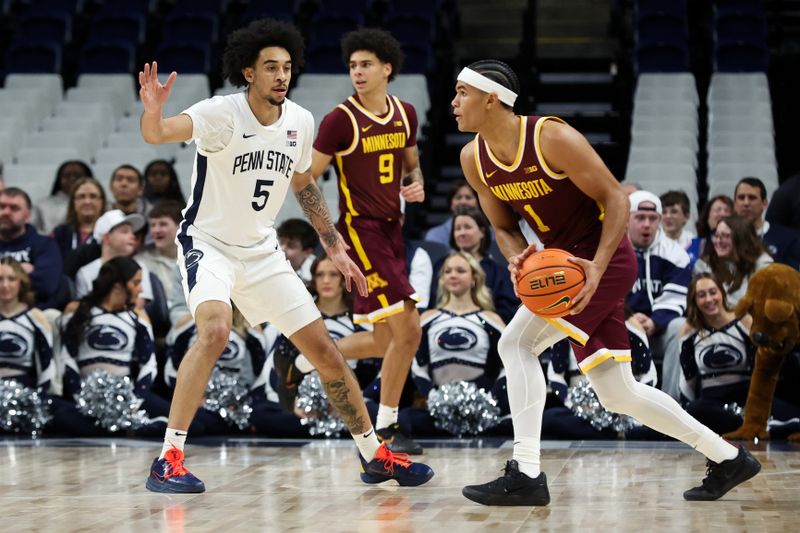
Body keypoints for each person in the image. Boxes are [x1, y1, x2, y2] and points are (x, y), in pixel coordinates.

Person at [138, 18, 432, 493]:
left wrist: (334, 246)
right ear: (248, 72)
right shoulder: (221, 113)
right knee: (214, 330)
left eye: (287, 67)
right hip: (208, 245)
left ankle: (374, 454)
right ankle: (168, 458)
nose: (281, 75)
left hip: (262, 252)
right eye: (270, 67)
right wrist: (153, 111)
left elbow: (304, 186)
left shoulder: (300, 119)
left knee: (326, 352)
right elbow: (159, 134)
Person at [451, 59, 759, 506]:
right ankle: (728, 457)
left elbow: (616, 197)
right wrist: (517, 256)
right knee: (618, 394)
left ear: (491, 98)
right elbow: (502, 225)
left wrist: (596, 266)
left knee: (515, 344)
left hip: (605, 260)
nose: (454, 103)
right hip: (563, 266)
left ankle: (526, 473)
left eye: (462, 92)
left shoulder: (551, 138)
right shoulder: (472, 158)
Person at [304, 28, 426, 455]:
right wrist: (329, 234)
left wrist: (416, 184)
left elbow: (411, 164)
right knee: (409, 327)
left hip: (394, 230)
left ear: (386, 68)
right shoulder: (340, 119)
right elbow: (306, 177)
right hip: (360, 231)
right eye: (353, 65)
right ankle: (387, 427)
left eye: (366, 64)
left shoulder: (406, 113)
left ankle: (305, 357)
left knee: (383, 340)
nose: (357, 71)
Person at [54, 257, 168, 436]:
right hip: (88, 397)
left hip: (127, 395)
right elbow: (67, 358)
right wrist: (80, 397)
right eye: (136, 283)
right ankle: (132, 427)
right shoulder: (79, 310)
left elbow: (149, 365)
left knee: (192, 424)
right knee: (60, 417)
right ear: (117, 285)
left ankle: (124, 424)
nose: (141, 289)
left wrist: (134, 402)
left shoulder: (137, 317)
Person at [680, 272, 800, 437]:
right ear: (694, 301)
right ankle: (751, 426)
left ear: (722, 293)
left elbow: (764, 363)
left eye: (713, 292)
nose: (709, 299)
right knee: (694, 410)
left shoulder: (744, 321)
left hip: (746, 396)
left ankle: (753, 424)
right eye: (701, 295)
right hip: (711, 401)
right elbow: (687, 378)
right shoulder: (690, 331)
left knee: (793, 415)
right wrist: (686, 416)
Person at [404, 252, 507, 436]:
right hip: (437, 409)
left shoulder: (491, 319)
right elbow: (417, 365)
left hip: (483, 408)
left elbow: (508, 366)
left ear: (474, 278)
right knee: (404, 420)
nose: (453, 275)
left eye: (460, 271)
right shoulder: (428, 318)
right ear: (442, 279)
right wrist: (433, 398)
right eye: (447, 271)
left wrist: (489, 400)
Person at [625, 190, 691, 399]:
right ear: (627, 219)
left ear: (660, 221)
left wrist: (654, 322)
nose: (647, 224)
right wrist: (628, 319)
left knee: (681, 327)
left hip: (657, 330)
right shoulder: (612, 249)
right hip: (621, 326)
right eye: (640, 217)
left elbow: (677, 297)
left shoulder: (675, 254)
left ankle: (671, 404)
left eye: (653, 219)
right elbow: (604, 295)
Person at [441, 205, 519, 323]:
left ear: (482, 232)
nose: (462, 232)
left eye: (467, 227)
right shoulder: (440, 266)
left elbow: (509, 313)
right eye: (457, 228)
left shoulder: (499, 272)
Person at [74, 209, 154, 308]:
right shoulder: (85, 273)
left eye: (132, 232)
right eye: (125, 231)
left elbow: (138, 304)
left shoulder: (140, 267)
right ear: (107, 237)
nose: (133, 236)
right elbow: (85, 307)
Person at [0, 188, 63, 309]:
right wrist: (21, 271)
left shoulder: (45, 245)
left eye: (14, 208)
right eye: (2, 207)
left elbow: (46, 285)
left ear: (27, 215)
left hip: (34, 311)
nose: (6, 212)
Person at [0, 258, 54, 397]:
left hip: (24, 390)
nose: (5, 285)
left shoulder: (36, 317)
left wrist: (40, 397)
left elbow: (47, 364)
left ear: (21, 282)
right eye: (0, 279)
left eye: (11, 279)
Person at [693, 214, 773, 307]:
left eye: (725, 236)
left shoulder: (762, 264)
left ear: (742, 238)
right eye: (716, 235)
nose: (718, 241)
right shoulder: (705, 265)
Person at [733, 177, 800, 270]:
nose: (746, 203)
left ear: (764, 204)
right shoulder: (722, 236)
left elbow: (792, 277)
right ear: (734, 204)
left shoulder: (788, 239)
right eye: (741, 198)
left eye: (752, 198)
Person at [134, 200, 182, 303]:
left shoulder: (196, 258)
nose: (156, 230)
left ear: (180, 227)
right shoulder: (141, 262)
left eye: (163, 224)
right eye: (153, 225)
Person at [50, 177, 107, 261]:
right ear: (74, 202)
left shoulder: (110, 234)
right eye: (81, 196)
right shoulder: (60, 233)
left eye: (93, 196)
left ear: (102, 201)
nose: (87, 201)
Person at [32, 160, 93, 234]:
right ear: (59, 179)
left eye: (77, 175)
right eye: (67, 175)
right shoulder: (42, 205)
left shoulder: (103, 204)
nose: (72, 178)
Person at [424, 180, 480, 245]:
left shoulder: (493, 233)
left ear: (479, 203)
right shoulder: (435, 235)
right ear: (451, 203)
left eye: (468, 197)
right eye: (458, 198)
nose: (463, 202)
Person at [687, 194, 733, 266]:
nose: (722, 214)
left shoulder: (739, 244)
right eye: (718, 210)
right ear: (707, 217)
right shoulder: (695, 245)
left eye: (727, 211)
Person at [276, 218, 318, 283]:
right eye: (281, 243)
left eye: (291, 246)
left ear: (308, 252)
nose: (282, 249)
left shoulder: (315, 277)